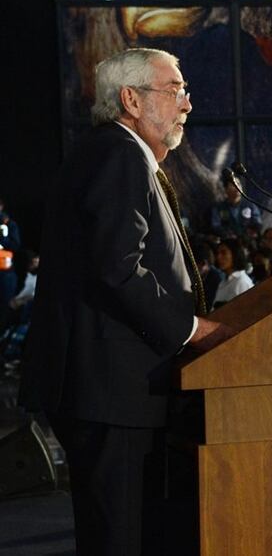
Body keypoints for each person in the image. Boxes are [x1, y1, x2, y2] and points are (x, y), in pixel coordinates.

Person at [18, 49, 234, 554]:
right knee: (119, 536)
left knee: (122, 532)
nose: (186, 103)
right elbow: (118, 268)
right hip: (111, 387)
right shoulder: (118, 154)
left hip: (112, 386)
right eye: (174, 89)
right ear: (131, 99)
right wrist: (194, 330)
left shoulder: (116, 153)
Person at [212, 238, 254, 307]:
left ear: (235, 255)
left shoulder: (242, 282)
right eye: (217, 253)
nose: (218, 257)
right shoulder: (224, 281)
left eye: (223, 253)